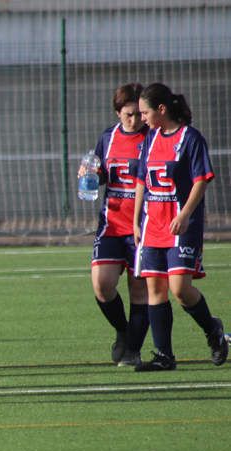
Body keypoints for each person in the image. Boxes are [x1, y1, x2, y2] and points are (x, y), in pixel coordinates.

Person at [132, 82, 228, 371]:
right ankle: (164, 357)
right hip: (153, 223)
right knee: (155, 289)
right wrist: (136, 220)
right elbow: (141, 181)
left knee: (180, 288)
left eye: (145, 112)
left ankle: (213, 331)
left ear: (162, 109)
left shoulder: (190, 138)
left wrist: (185, 214)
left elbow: (202, 179)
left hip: (181, 224)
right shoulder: (149, 138)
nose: (142, 118)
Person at [85, 83, 150, 367]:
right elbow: (101, 174)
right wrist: (89, 173)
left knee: (140, 289)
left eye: (138, 114)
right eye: (128, 114)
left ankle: (133, 349)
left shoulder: (153, 137)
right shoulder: (108, 138)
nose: (134, 120)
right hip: (112, 223)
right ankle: (123, 331)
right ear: (117, 113)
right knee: (102, 284)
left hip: (143, 226)